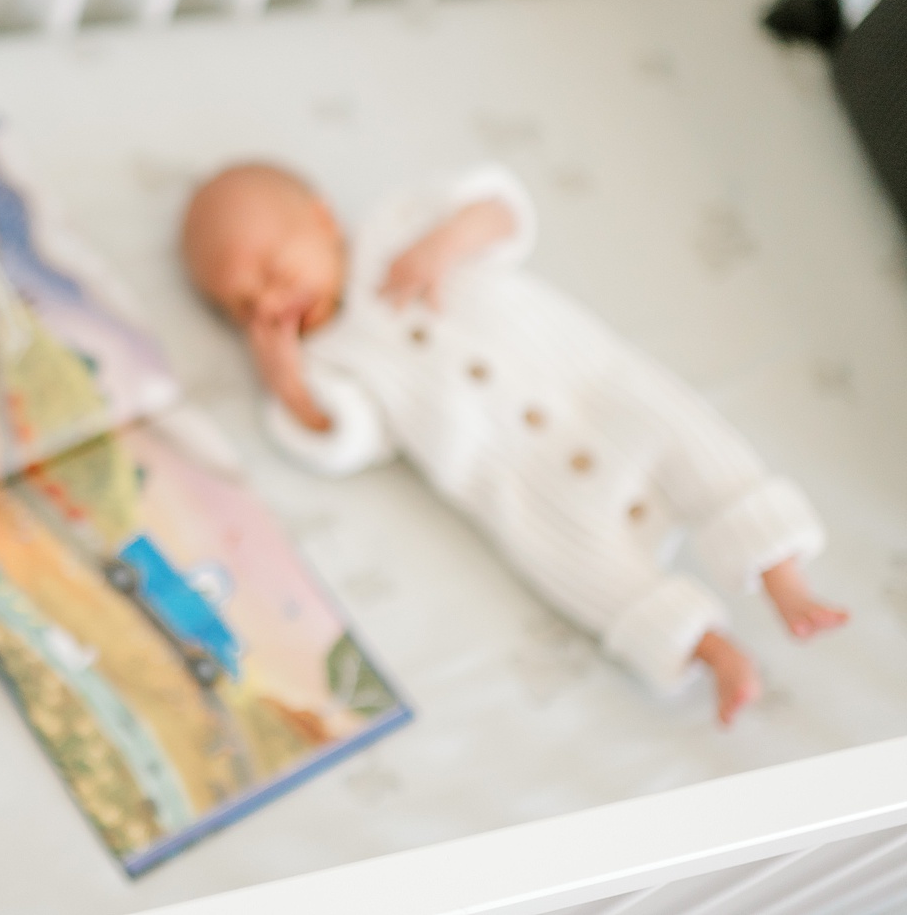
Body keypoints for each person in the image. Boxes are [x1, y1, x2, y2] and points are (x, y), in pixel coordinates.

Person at [181, 161, 846, 725]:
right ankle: (711, 649)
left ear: (323, 220)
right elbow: (348, 439)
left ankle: (784, 580)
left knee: (694, 442)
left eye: (272, 267)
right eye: (243, 306)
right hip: (515, 479)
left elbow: (500, 209)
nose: (270, 300)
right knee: (578, 567)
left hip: (594, 390)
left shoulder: (399, 230)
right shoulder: (326, 362)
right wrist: (286, 380)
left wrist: (444, 243)